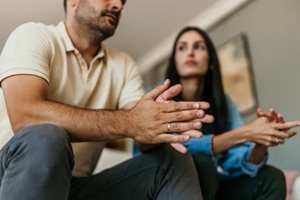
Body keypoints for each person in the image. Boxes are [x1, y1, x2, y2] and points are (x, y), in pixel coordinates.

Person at [0, 1, 215, 199]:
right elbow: (26, 116)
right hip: (12, 175)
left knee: (173, 161)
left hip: (72, 189)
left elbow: (142, 136)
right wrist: (133, 121)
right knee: (48, 134)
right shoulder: (33, 35)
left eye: (122, 1)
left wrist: (157, 120)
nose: (117, 5)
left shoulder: (123, 65)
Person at [143, 26, 300, 200]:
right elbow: (172, 149)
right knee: (202, 165)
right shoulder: (157, 95)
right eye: (182, 47)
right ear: (175, 60)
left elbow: (234, 160)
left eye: (198, 47)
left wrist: (259, 144)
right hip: (166, 181)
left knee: (272, 178)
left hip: (213, 185)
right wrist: (246, 133)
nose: (190, 53)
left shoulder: (223, 103)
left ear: (210, 60)